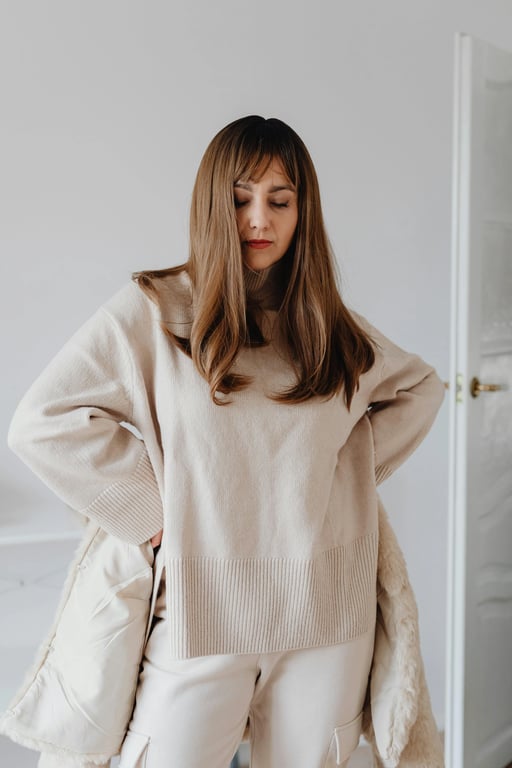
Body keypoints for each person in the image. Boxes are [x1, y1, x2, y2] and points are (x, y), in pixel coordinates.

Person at [7, 115, 445, 768]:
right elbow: (43, 420)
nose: (259, 219)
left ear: (303, 211)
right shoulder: (155, 309)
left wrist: (331, 475)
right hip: (200, 617)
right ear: (214, 202)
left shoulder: (327, 325)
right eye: (241, 199)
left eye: (280, 200)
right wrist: (153, 512)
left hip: (325, 619)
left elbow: (422, 389)